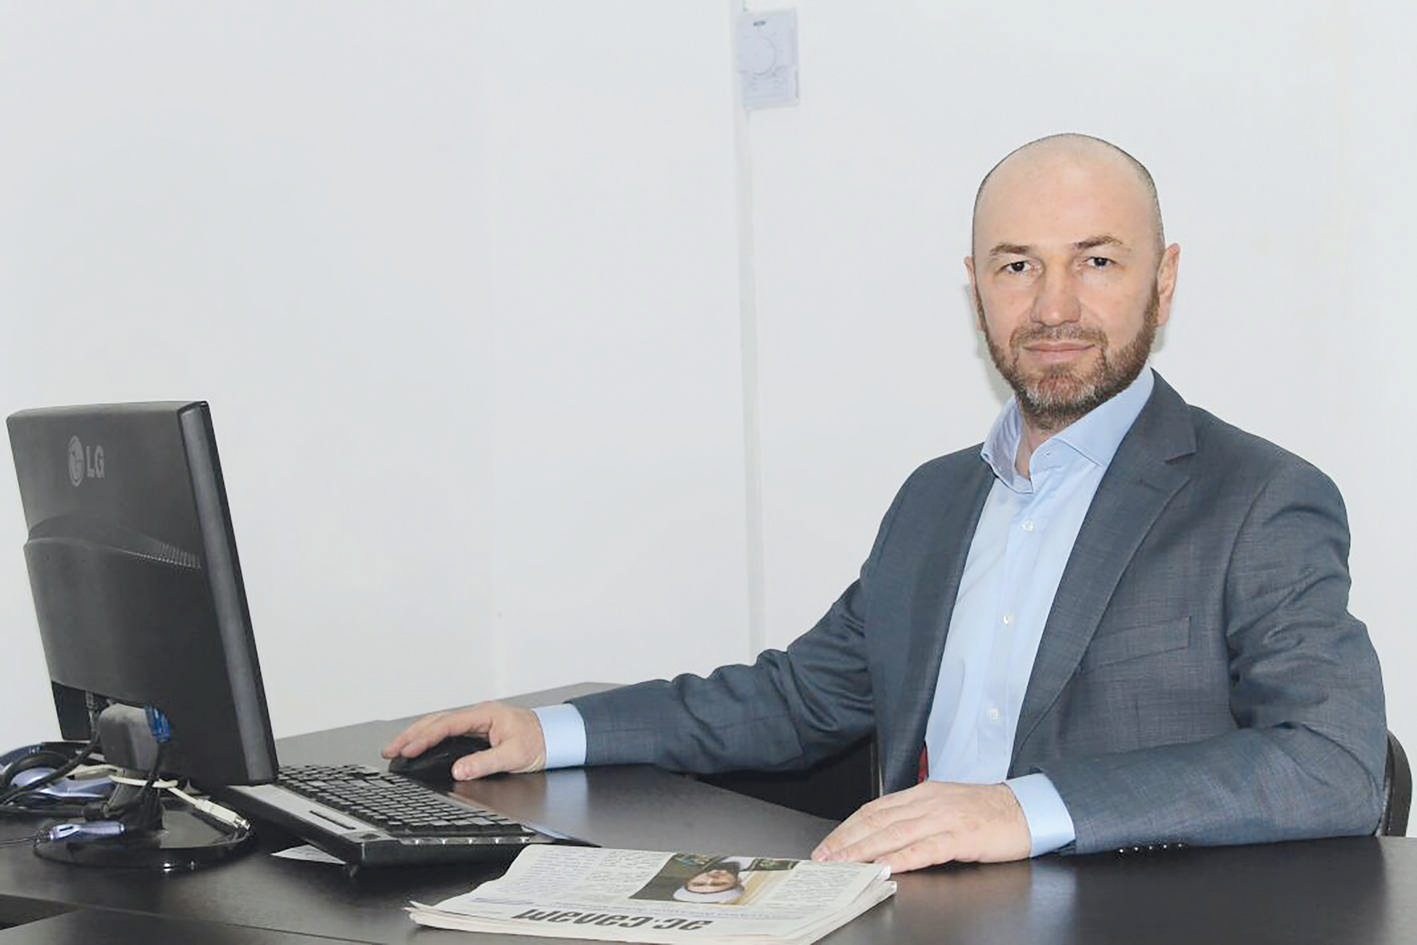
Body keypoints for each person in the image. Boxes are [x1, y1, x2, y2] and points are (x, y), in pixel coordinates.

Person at [383, 133, 1386, 872]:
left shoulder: (1259, 500)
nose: (1052, 307)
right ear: (974, 286)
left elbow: (1335, 765)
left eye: (1096, 260)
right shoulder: (935, 498)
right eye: (1017, 265)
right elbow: (796, 698)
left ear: (1161, 283)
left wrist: (1018, 809)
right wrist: (549, 731)